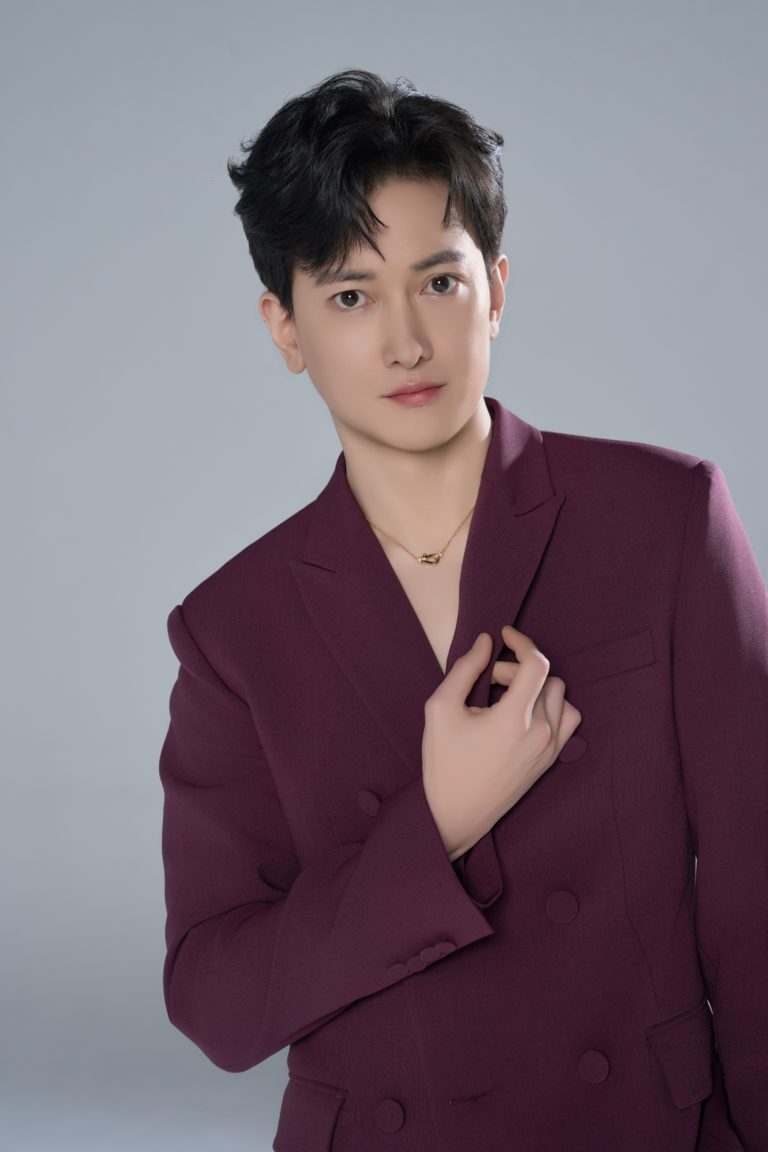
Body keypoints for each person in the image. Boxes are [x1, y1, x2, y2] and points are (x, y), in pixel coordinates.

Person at [158, 69, 767, 1152]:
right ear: (285, 329)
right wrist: (437, 823)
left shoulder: (666, 518)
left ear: (495, 288)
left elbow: (757, 892)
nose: (406, 341)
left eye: (438, 282)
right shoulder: (232, 630)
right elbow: (217, 999)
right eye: (350, 297)